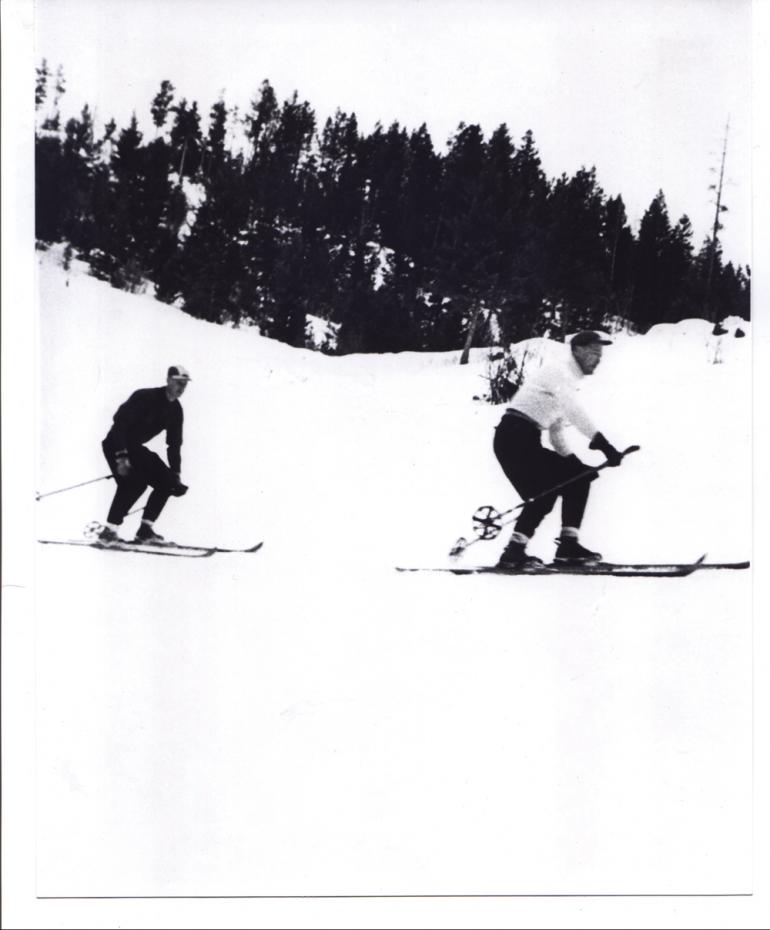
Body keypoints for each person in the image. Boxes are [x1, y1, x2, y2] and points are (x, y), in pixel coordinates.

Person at [493, 331, 623, 568]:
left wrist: (572, 461)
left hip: (522, 438)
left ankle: (567, 546)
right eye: (594, 352)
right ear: (577, 350)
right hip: (514, 437)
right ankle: (514, 552)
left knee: (577, 479)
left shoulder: (566, 381)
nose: (598, 359)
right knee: (543, 492)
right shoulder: (560, 372)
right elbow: (573, 410)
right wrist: (601, 443)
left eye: (600, 354)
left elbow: (556, 432)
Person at [98, 365, 191, 545]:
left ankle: (145, 531)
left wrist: (176, 473)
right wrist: (121, 457)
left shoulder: (176, 410)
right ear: (168, 380)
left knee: (168, 482)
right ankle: (109, 531)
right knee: (135, 484)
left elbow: (174, 444)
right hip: (115, 444)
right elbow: (119, 425)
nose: (182, 387)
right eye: (179, 382)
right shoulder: (145, 396)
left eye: (185, 384)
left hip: (135, 447)